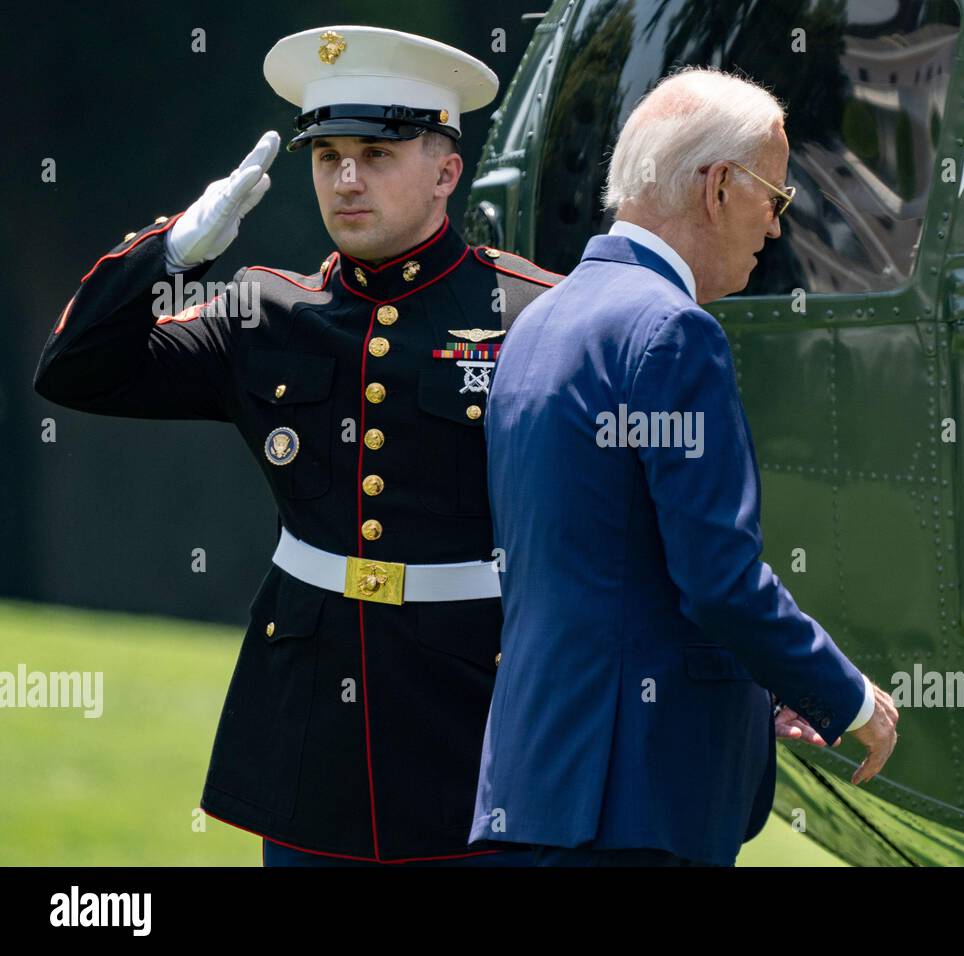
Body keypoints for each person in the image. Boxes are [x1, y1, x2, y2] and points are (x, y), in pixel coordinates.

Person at [32, 25, 560, 866]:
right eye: (328, 156)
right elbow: (74, 372)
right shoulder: (265, 311)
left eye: (378, 155)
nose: (346, 179)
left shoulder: (536, 314)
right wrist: (172, 254)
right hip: (314, 731)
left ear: (447, 170)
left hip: (481, 727)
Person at [470, 66, 900, 867]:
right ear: (718, 187)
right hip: (636, 803)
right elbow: (717, 578)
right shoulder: (674, 334)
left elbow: (602, 568)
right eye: (774, 199)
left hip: (533, 789)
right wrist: (843, 696)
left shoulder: (536, 323)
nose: (774, 228)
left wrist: (750, 683)